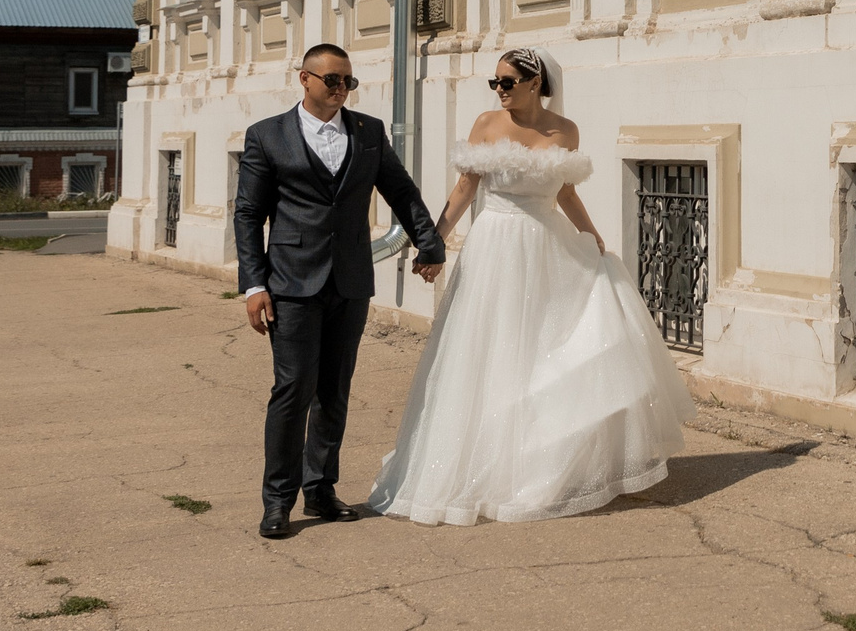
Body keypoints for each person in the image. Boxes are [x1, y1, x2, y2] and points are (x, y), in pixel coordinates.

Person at [369, 47, 695, 525]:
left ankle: (542, 461)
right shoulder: (485, 123)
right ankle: (479, 468)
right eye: (494, 82)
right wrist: (434, 243)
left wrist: (591, 234)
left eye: (507, 82)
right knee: (489, 351)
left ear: (534, 82)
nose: (499, 91)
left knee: (545, 349)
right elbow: (466, 189)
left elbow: (565, 191)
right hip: (494, 248)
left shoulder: (565, 130)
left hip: (546, 246)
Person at [233, 43, 445, 540]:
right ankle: (278, 501)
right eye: (332, 80)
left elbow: (400, 189)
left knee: (334, 391)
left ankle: (321, 490)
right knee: (293, 389)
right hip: (290, 281)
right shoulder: (267, 135)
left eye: (348, 81)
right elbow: (248, 214)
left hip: (349, 280)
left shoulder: (368, 131)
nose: (341, 89)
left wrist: (428, 244)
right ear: (304, 78)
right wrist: (254, 284)